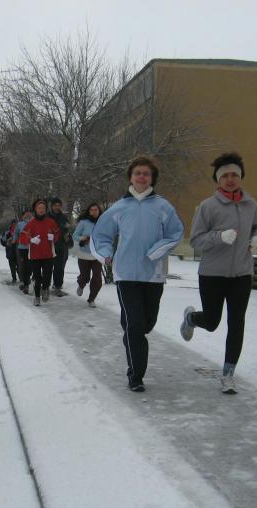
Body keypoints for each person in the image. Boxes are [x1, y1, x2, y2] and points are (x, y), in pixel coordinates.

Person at [90, 155, 184, 392]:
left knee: (146, 324)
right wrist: (106, 254)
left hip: (153, 274)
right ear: (130, 177)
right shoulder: (119, 207)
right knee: (134, 325)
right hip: (126, 274)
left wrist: (157, 250)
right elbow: (100, 235)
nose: (141, 177)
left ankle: (132, 336)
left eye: (146, 174)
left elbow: (175, 233)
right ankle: (136, 375)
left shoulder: (163, 207)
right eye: (137, 173)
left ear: (152, 178)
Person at [180, 152, 257, 395]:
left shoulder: (251, 205)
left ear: (241, 177)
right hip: (212, 275)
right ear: (218, 180)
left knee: (236, 323)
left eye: (234, 175)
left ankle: (228, 374)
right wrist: (219, 237)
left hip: (242, 274)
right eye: (225, 175)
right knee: (212, 322)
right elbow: (196, 240)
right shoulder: (208, 207)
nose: (230, 179)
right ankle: (191, 319)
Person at [19, 198, 61, 306]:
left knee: (47, 275)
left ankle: (45, 288)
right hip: (35, 255)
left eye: (43, 208)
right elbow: (22, 237)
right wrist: (30, 240)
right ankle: (37, 297)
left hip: (48, 254)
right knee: (37, 277)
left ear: (46, 210)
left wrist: (54, 237)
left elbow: (57, 233)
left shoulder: (51, 222)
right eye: (39, 208)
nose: (41, 210)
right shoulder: (31, 223)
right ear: (35, 209)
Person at [71, 202, 104, 307]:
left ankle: (91, 299)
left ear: (99, 211)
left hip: (97, 254)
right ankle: (81, 285)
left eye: (96, 210)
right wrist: (82, 238)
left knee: (97, 279)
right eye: (91, 210)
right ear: (89, 211)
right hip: (84, 254)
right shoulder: (83, 222)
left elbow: (107, 236)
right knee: (85, 277)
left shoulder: (103, 222)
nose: (94, 212)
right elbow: (75, 235)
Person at [48, 197, 71, 296]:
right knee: (47, 267)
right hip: (49, 245)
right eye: (55, 205)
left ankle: (57, 286)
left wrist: (67, 234)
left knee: (60, 267)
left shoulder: (63, 217)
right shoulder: (47, 217)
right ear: (51, 206)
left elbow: (67, 230)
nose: (57, 207)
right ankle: (45, 286)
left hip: (61, 245)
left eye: (59, 205)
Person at [13, 208, 33, 294]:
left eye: (29, 214)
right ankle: (25, 284)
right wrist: (14, 239)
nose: (28, 216)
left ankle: (26, 281)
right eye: (26, 214)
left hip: (32, 248)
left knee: (30, 266)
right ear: (23, 216)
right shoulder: (20, 224)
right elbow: (16, 233)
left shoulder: (34, 223)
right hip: (22, 248)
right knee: (23, 265)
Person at [0, 218, 18, 284]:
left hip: (19, 252)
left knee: (19, 266)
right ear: (11, 224)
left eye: (16, 224)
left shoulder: (19, 231)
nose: (14, 225)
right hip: (10, 252)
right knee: (12, 266)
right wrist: (7, 242)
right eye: (13, 224)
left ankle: (21, 278)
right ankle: (14, 278)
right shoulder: (7, 232)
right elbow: (2, 241)